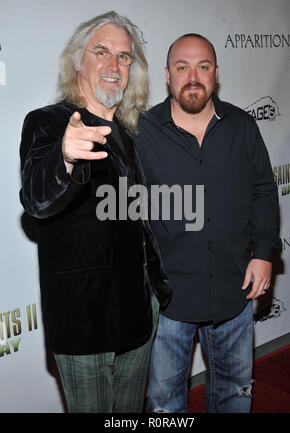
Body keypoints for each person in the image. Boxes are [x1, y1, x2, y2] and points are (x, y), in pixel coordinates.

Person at [19, 11, 171, 413]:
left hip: (138, 312)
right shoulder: (49, 123)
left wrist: (155, 292)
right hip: (83, 316)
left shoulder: (129, 132)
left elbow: (136, 221)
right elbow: (35, 198)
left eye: (124, 57)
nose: (113, 65)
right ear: (76, 61)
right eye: (101, 51)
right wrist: (65, 158)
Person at [134, 33, 281, 413]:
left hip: (234, 290)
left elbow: (264, 191)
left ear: (216, 73)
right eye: (182, 67)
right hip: (167, 301)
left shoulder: (243, 126)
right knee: (165, 405)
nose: (193, 76)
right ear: (168, 75)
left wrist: (264, 253)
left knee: (235, 396)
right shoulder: (141, 132)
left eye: (202, 66)